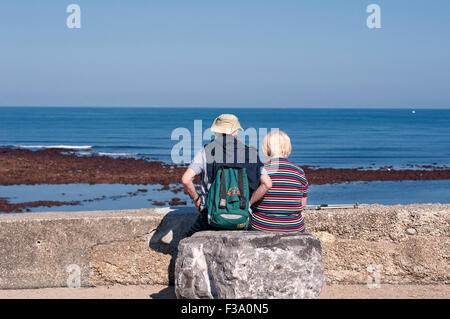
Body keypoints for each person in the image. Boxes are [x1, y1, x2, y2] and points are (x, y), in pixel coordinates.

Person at [181, 114, 272, 236]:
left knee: (186, 240)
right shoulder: (250, 153)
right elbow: (267, 184)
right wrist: (248, 204)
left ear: (216, 132)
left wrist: (197, 199)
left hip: (210, 216)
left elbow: (186, 180)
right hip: (242, 218)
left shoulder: (206, 151)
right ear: (236, 132)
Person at [250, 130, 309, 232]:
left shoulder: (260, 169)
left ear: (267, 148)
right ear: (287, 148)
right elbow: (302, 204)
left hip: (263, 227)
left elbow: (251, 199)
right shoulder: (299, 172)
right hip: (294, 228)